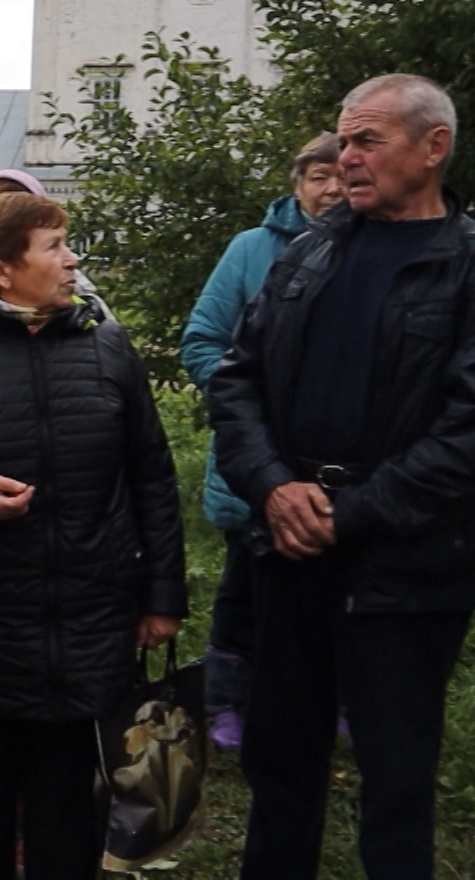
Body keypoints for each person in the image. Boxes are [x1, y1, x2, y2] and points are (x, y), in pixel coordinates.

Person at [208, 74, 475, 880]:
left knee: (397, 780)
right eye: (342, 141)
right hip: (288, 551)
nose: (345, 158)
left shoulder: (467, 269)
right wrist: (270, 487)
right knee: (279, 765)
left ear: (434, 149)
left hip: (407, 573)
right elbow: (235, 378)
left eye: (367, 141)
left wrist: (348, 514)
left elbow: (469, 433)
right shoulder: (309, 252)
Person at [0, 191, 186, 880]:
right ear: (2, 269)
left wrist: (162, 594)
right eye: (53, 246)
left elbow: (152, 476)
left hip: (90, 623)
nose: (72, 259)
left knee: (68, 812)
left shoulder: (108, 348)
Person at [179, 133, 344, 753]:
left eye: (338, 175)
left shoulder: (371, 245)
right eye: (316, 176)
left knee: (337, 590)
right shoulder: (253, 250)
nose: (330, 188)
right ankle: (226, 701)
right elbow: (201, 340)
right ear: (296, 184)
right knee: (245, 588)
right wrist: (250, 411)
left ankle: (330, 700)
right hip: (258, 459)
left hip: (338, 465)